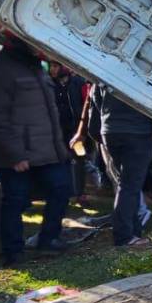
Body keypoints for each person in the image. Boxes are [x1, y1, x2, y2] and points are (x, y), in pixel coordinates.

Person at [0, 29, 72, 267]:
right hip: (17, 154)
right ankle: (13, 252)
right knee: (15, 201)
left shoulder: (35, 67)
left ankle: (48, 239)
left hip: (47, 150)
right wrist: (14, 154)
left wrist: (60, 149)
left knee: (62, 189)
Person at [78, 84, 152, 246]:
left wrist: (100, 132)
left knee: (126, 184)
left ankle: (134, 231)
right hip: (138, 131)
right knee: (129, 185)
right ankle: (124, 236)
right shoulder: (141, 77)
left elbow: (95, 104)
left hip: (110, 131)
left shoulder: (104, 76)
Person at [49, 60, 89, 202]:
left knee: (79, 160)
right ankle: (62, 191)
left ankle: (79, 192)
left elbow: (86, 105)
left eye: (55, 66)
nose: (52, 69)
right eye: (51, 66)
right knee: (59, 160)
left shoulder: (79, 83)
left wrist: (83, 131)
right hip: (58, 130)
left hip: (76, 131)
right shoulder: (50, 84)